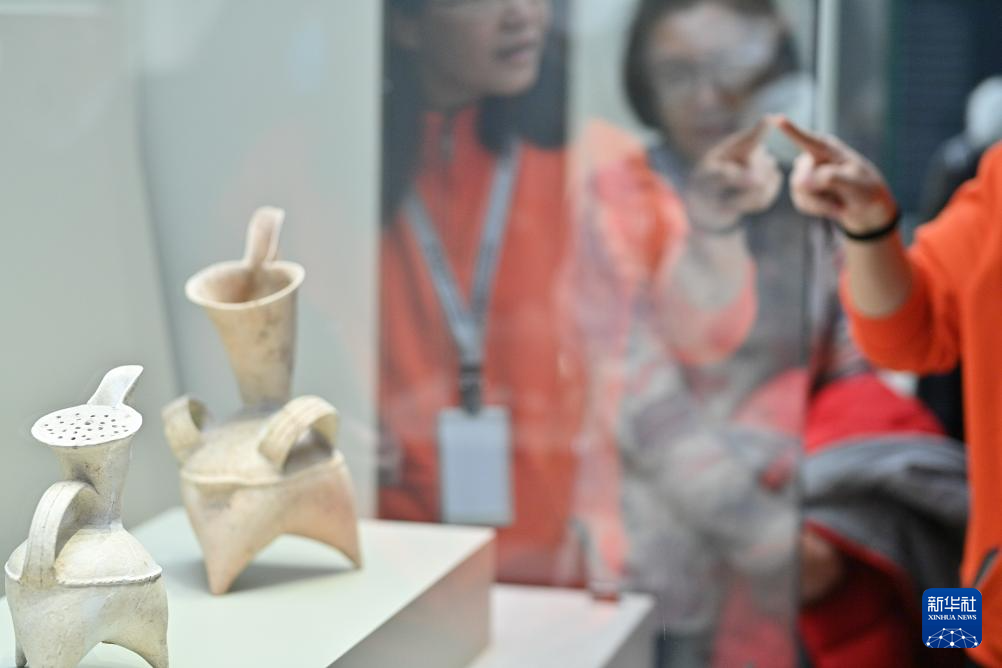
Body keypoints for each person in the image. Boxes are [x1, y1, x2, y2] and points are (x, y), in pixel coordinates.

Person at [621, 1, 968, 665]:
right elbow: (641, 402)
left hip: (826, 503)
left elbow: (885, 347)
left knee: (940, 526)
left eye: (731, 68)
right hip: (698, 545)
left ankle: (960, 649)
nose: (708, 96)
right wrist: (773, 539)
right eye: (679, 74)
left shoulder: (805, 206)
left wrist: (867, 228)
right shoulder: (626, 201)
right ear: (646, 84)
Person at [377, 0, 757, 590]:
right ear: (404, 22)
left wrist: (715, 230)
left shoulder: (591, 163)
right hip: (382, 554)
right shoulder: (323, 166)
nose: (521, 13)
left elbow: (706, 335)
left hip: (558, 564)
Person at [777, 114, 1002, 666]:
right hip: (972, 559)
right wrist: (869, 224)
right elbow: (904, 334)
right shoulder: (992, 175)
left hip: (938, 518)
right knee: (946, 632)